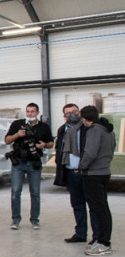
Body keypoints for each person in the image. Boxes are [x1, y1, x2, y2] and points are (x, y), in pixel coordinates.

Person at [4, 102, 54, 230]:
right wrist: (17, 135)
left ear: (37, 113)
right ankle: (15, 219)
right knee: (15, 192)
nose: (30, 114)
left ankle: (35, 220)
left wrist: (44, 145)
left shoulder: (44, 127)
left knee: (35, 192)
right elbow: (7, 140)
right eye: (27, 111)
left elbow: (51, 143)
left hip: (34, 162)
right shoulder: (17, 124)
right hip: (19, 162)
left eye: (32, 112)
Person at [54, 104, 98, 243]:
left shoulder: (88, 128)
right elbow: (59, 150)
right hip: (71, 173)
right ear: (64, 116)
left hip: (87, 172)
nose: (71, 114)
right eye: (68, 113)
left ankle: (97, 236)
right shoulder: (62, 130)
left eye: (74, 111)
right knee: (77, 205)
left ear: (79, 113)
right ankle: (80, 234)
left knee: (93, 206)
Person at [79, 106, 116, 256]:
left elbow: (90, 152)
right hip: (104, 172)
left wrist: (82, 166)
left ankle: (103, 243)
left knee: (97, 208)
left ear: (85, 118)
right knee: (103, 207)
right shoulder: (108, 130)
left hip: (93, 174)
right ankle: (103, 240)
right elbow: (111, 149)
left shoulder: (94, 130)